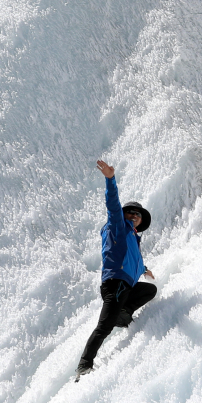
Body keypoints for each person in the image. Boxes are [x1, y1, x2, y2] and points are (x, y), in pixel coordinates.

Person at [75, 158, 155, 377]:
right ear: (124, 214)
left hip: (126, 285)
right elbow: (112, 205)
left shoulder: (132, 238)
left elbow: (132, 261)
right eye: (131, 212)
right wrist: (111, 180)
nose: (135, 216)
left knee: (149, 290)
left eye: (138, 214)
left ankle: (124, 312)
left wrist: (144, 269)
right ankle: (84, 365)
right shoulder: (118, 226)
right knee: (104, 327)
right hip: (116, 284)